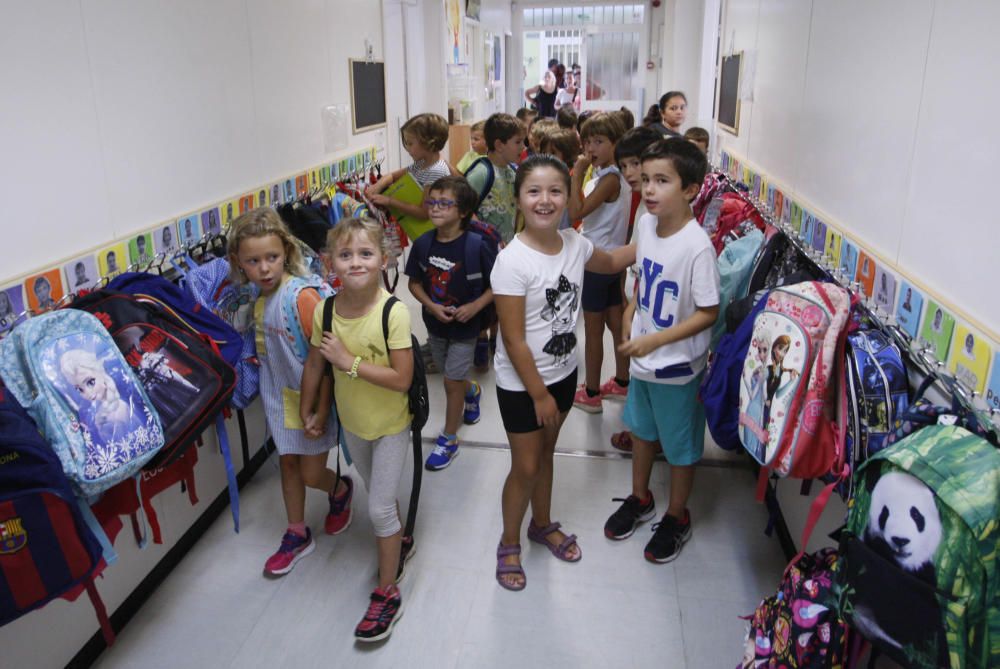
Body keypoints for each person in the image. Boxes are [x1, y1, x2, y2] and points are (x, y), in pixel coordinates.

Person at [492, 154, 635, 591]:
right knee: (526, 464)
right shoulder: (513, 261)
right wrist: (538, 395)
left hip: (563, 373)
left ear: (569, 196)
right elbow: (514, 341)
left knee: (546, 456)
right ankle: (509, 541)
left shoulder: (574, 243)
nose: (545, 200)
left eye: (555, 191)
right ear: (519, 198)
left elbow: (611, 263)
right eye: (534, 191)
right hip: (523, 385)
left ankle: (542, 522)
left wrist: (658, 233)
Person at [602, 138, 721, 564]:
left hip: (676, 368)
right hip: (643, 361)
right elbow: (641, 279)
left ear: (690, 189)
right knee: (640, 432)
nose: (648, 189)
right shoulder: (646, 225)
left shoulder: (697, 247)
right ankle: (639, 497)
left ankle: (677, 514)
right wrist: (633, 309)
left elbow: (708, 312)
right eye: (646, 179)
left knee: (681, 446)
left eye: (662, 181)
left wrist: (657, 340)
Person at [300, 218, 414, 641]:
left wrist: (348, 360)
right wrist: (311, 408)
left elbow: (401, 379)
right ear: (331, 264)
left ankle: (387, 592)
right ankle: (397, 540)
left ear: (383, 259)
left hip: (390, 426)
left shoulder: (393, 312)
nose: (356, 263)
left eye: (365, 254)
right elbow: (315, 363)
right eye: (345, 255)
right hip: (353, 426)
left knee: (379, 508)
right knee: (377, 496)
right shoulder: (326, 310)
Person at [226, 208, 352, 579]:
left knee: (312, 472)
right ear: (239, 262)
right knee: (288, 464)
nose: (264, 268)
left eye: (272, 257)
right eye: (253, 261)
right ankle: (296, 532)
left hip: (314, 397)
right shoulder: (255, 298)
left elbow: (327, 360)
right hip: (279, 396)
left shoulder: (302, 296)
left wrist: (319, 408)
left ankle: (340, 489)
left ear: (286, 251)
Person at [406, 176, 495, 470]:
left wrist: (474, 307)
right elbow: (415, 284)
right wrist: (431, 306)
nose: (435, 208)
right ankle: (472, 392)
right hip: (436, 325)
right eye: (432, 201)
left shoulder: (476, 246)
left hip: (466, 328)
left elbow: (496, 285)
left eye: (445, 203)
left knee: (449, 381)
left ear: (463, 211)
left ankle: (449, 438)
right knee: (450, 375)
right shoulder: (422, 244)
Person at [606, 124, 667, 452]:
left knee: (653, 378)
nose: (629, 173)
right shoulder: (645, 207)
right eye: (624, 165)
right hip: (639, 303)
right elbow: (630, 257)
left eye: (635, 164)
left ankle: (651, 438)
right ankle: (644, 432)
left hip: (654, 311)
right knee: (643, 377)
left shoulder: (660, 212)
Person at [568, 112, 631, 413]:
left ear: (616, 143)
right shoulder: (611, 173)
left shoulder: (608, 178)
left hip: (597, 262)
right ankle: (621, 381)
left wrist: (576, 173)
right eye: (587, 141)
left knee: (593, 330)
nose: (591, 148)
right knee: (615, 322)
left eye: (599, 141)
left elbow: (575, 210)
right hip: (613, 258)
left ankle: (591, 392)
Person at [465, 112, 525, 368]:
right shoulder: (481, 171)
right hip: (481, 250)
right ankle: (480, 342)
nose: (523, 148)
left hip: (506, 249)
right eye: (518, 142)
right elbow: (464, 208)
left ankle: (494, 341)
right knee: (482, 298)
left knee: (502, 297)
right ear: (499, 145)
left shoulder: (512, 171)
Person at [368, 113, 452, 222]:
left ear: (428, 143)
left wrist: (390, 201)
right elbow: (393, 176)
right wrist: (377, 186)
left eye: (410, 143)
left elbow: (424, 213)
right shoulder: (421, 164)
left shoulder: (436, 171)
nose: (407, 148)